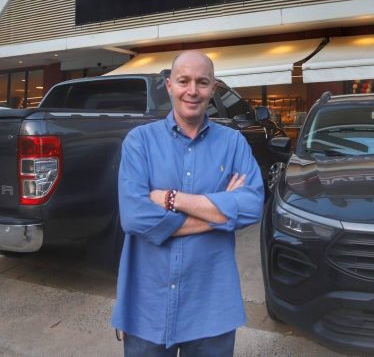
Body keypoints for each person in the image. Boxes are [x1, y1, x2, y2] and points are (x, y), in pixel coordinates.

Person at [112, 50, 264, 356]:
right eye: (183, 81)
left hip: (211, 308)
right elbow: (135, 217)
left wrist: (172, 199)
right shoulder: (139, 141)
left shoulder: (233, 142)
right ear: (170, 86)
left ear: (213, 88)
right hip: (146, 307)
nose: (192, 90)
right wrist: (220, 214)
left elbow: (251, 206)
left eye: (202, 82)